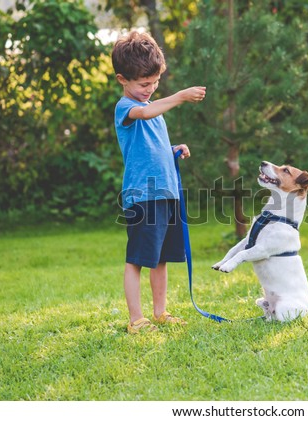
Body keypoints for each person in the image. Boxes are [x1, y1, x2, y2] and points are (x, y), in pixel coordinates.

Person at [111, 30, 206, 333]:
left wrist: (172, 150)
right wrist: (178, 96)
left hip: (166, 192)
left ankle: (160, 312)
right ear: (122, 79)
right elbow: (145, 111)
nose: (150, 89)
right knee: (137, 259)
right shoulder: (125, 107)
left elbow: (150, 146)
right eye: (143, 84)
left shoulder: (154, 110)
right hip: (143, 195)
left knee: (161, 258)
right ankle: (135, 318)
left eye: (155, 82)